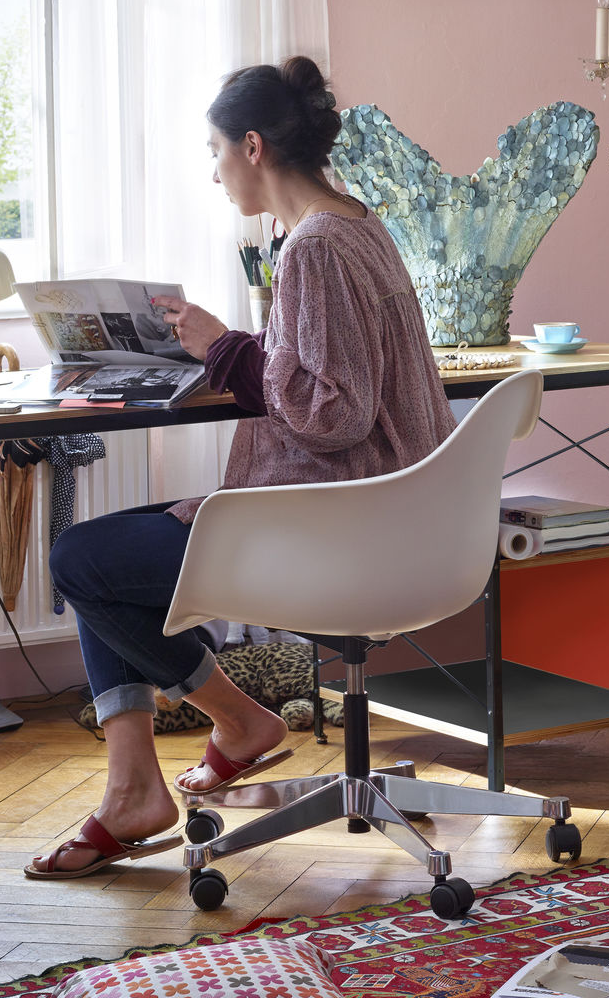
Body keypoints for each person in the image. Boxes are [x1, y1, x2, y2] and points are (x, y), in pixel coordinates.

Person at [27, 56, 457, 880]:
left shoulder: (315, 248)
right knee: (104, 554)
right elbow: (330, 375)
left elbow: (334, 411)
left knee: (82, 560)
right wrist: (226, 347)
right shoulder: (355, 226)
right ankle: (158, 772)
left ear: (252, 147)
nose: (215, 170)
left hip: (340, 532)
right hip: (384, 517)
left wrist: (225, 348)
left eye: (216, 150)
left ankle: (218, 735)